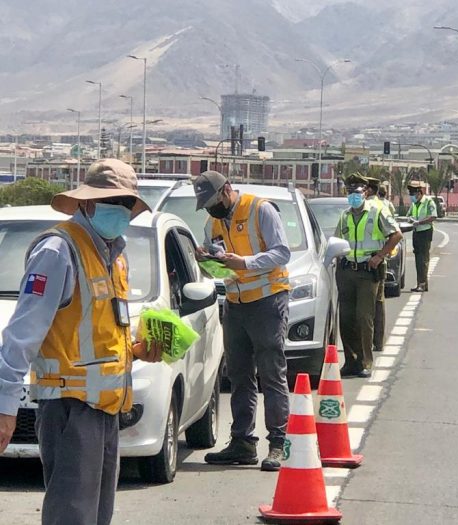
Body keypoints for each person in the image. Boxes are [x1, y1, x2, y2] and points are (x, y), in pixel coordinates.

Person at [0, 159, 161, 525]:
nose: (121, 211)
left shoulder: (113, 256)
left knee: (95, 516)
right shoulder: (57, 251)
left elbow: (96, 334)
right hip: (70, 409)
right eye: (112, 201)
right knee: (72, 516)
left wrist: (135, 351)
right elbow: (22, 333)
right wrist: (5, 405)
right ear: (87, 203)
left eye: (126, 204)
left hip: (105, 409)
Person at [194, 170, 291, 472]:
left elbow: (282, 252)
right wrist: (207, 261)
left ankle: (278, 443)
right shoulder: (213, 223)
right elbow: (221, 272)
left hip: (268, 301)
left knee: (271, 374)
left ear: (226, 190)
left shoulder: (260, 209)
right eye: (206, 205)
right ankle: (242, 442)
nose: (211, 209)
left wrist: (245, 262)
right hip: (235, 304)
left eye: (213, 202)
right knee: (239, 375)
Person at [335, 173, 402, 377]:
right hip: (347, 271)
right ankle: (351, 361)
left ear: (365, 192)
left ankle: (365, 362)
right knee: (346, 318)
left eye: (356, 192)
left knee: (364, 317)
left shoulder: (376, 212)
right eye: (349, 192)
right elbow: (337, 240)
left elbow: (396, 234)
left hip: (368, 272)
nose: (353, 196)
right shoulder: (345, 215)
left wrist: (380, 256)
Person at [365, 176, 386, 352]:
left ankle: (373, 342)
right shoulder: (383, 205)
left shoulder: (374, 207)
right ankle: (377, 342)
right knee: (377, 303)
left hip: (372, 261)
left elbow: (395, 234)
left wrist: (379, 256)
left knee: (371, 306)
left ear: (369, 190)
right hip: (375, 260)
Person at [407, 180, 437, 292]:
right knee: (418, 259)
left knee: (423, 259)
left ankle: (422, 283)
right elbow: (409, 214)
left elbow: (433, 216)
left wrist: (419, 222)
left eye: (413, 194)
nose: (412, 197)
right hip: (416, 232)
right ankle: (421, 283)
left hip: (425, 232)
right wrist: (410, 219)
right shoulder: (414, 203)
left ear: (419, 193)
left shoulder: (428, 201)